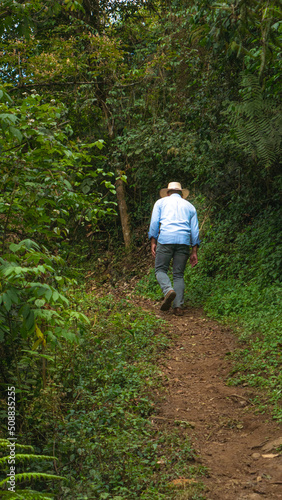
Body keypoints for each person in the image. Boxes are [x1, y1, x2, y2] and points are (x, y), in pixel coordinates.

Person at [148, 182, 200, 316]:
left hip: (165, 239)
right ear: (182, 194)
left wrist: (153, 241)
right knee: (178, 275)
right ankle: (178, 307)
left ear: (167, 193)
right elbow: (195, 231)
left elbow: (154, 223)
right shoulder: (190, 207)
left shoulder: (160, 203)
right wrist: (194, 251)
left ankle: (168, 290)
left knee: (160, 270)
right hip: (184, 242)